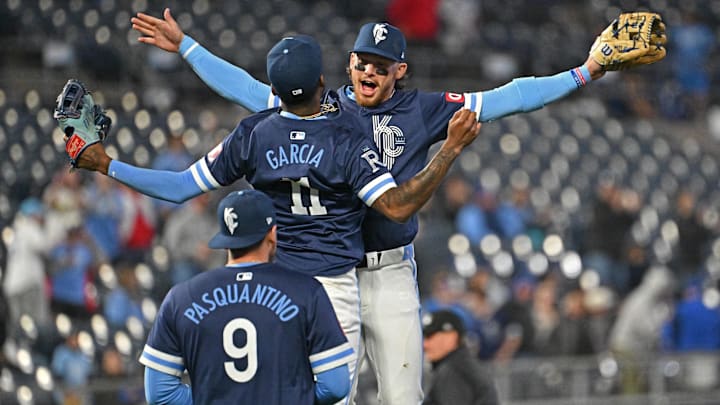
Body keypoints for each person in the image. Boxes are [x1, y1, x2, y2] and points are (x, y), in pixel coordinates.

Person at [130, 11, 661, 404]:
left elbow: (510, 96)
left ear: (399, 71)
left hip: (388, 275)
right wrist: (188, 47)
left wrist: (585, 70)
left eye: (382, 67)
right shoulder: (323, 105)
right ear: (348, 63)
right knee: (329, 396)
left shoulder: (425, 110)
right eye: (363, 62)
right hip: (325, 278)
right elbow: (250, 90)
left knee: (403, 397)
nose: (369, 73)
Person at [59, 33, 481, 402]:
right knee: (338, 393)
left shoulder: (254, 135)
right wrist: (450, 150)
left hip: (280, 287)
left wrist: (107, 164)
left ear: (275, 90)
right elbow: (398, 206)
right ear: (322, 82)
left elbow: (179, 187)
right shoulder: (347, 139)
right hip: (335, 287)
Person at [139, 190, 354, 404]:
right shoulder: (307, 291)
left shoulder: (181, 297)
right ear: (272, 233)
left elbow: (160, 393)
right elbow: (336, 386)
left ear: (224, 239)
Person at [422, 309, 498, 405]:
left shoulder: (453, 370)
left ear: (451, 337)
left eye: (430, 337)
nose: (425, 345)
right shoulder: (463, 364)